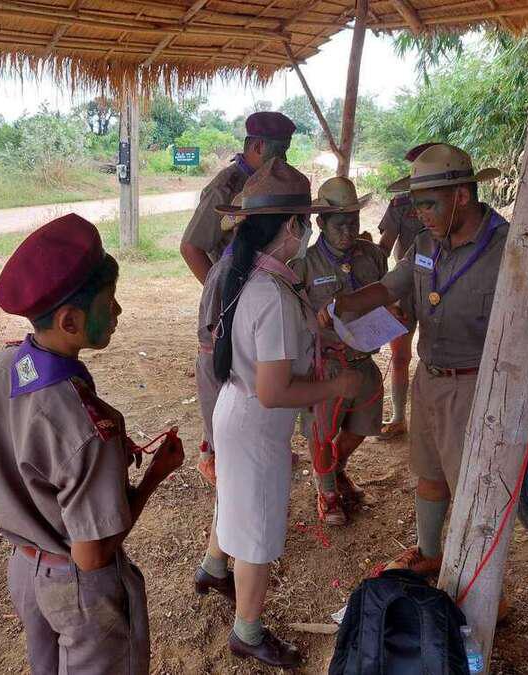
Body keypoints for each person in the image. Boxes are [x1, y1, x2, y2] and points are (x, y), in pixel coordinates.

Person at [0, 214, 184, 675]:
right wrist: (154, 476)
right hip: (76, 590)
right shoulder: (88, 428)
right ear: (70, 320)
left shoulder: (2, 367)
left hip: (25, 569)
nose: (119, 311)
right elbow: (93, 555)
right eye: (110, 301)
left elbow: (22, 451)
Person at [195, 158, 361, 669]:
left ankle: (212, 568)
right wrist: (335, 385)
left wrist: (313, 337)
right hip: (256, 422)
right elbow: (273, 391)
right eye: (305, 222)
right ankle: (247, 631)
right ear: (291, 227)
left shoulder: (250, 273)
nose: (306, 231)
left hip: (235, 409)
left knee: (236, 500)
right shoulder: (271, 293)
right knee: (258, 534)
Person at [330, 144, 505, 577]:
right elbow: (390, 287)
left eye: (429, 204)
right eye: (416, 205)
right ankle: (429, 551)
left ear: (461, 196)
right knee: (429, 473)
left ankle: (476, 582)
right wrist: (343, 303)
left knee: (472, 488)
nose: (420, 214)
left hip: (475, 385)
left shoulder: (505, 248)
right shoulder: (427, 243)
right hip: (429, 376)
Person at [291, 177, 387, 525]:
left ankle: (335, 467)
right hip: (327, 364)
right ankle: (328, 492)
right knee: (322, 432)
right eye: (339, 226)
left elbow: (386, 297)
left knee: (363, 426)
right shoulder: (304, 263)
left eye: (353, 223)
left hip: (363, 360)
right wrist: (314, 321)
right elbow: (291, 315)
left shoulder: (373, 256)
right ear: (321, 223)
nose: (348, 233)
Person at [179, 111, 296, 284]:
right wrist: (221, 292)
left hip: (263, 283)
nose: (284, 159)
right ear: (259, 147)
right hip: (238, 285)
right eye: (281, 151)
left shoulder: (267, 182)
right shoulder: (226, 187)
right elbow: (191, 248)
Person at [376, 143, 437, 440]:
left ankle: (434, 421)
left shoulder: (453, 205)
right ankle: (399, 417)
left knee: (439, 358)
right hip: (406, 288)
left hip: (444, 286)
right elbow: (384, 248)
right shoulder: (400, 204)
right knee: (400, 356)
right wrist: (380, 290)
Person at [194, 199, 242, 483]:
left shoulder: (243, 267)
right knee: (223, 432)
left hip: (228, 361)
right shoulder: (225, 271)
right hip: (218, 363)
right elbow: (216, 333)